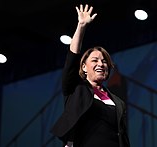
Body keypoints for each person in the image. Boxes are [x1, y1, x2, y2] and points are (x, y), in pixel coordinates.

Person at [51, 4, 130, 147]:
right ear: (83, 67)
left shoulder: (118, 102)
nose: (101, 64)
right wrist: (81, 26)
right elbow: (72, 58)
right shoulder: (76, 88)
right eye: (95, 60)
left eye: (104, 61)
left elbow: (123, 136)